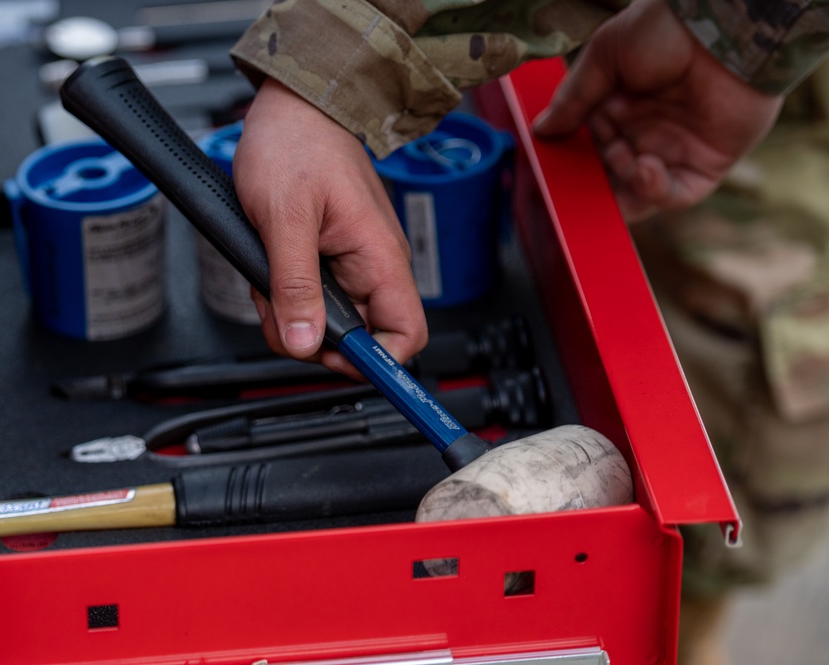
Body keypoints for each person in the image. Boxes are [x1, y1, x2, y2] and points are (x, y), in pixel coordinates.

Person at [226, 1, 829, 664]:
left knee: (700, 548)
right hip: (646, 84)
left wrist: (325, 71)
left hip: (781, 168)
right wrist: (731, 39)